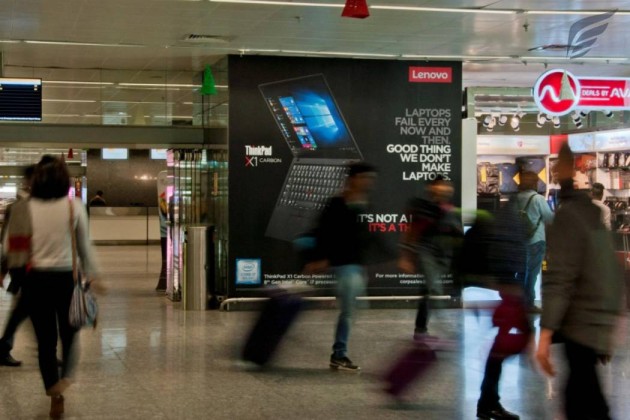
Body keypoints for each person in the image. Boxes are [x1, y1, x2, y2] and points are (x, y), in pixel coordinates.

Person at [4, 155, 103, 419]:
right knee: (70, 335)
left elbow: (9, 248)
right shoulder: (74, 207)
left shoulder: (23, 209)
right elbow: (85, 247)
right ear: (63, 180)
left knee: (45, 341)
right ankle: (67, 377)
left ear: (36, 180)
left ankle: (53, 392)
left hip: (35, 281)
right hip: (66, 281)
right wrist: (94, 275)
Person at [536, 143, 623, 420]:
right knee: (584, 395)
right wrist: (606, 329)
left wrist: (546, 331)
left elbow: (561, 277)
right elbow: (610, 272)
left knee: (585, 400)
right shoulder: (592, 214)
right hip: (593, 323)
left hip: (579, 324)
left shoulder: (568, 217)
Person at [306, 162, 378, 371]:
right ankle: (339, 353)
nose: (369, 182)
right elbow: (323, 232)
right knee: (348, 311)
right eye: (365, 177)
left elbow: (361, 238)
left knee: (351, 310)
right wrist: (320, 259)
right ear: (353, 179)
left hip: (353, 264)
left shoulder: (363, 204)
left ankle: (339, 352)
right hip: (342, 264)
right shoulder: (337, 203)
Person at [475, 200, 531, 420]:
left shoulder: (507, 219)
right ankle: (488, 403)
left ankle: (488, 402)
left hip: (511, 292)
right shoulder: (512, 222)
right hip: (511, 294)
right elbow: (507, 256)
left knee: (501, 350)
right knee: (502, 350)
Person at [398, 176, 462, 339]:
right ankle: (442, 327)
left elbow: (457, 236)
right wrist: (406, 256)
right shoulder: (422, 207)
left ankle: (420, 330)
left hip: (443, 255)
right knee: (433, 288)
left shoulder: (451, 210)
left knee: (426, 291)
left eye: (448, 185)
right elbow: (411, 232)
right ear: (431, 188)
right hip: (426, 251)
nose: (446, 189)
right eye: (441, 185)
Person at [0, 164, 35, 366]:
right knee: (26, 308)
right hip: (24, 265)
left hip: (26, 265)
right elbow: (8, 240)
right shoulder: (20, 206)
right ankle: (4, 346)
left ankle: (4, 346)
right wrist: (4, 268)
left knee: (25, 308)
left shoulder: (32, 204)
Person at [515, 171, 554, 312]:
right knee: (532, 274)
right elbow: (550, 218)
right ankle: (529, 304)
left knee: (520, 272)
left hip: (519, 242)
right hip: (536, 240)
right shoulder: (538, 199)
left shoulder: (517, 198)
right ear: (534, 183)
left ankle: (519, 303)